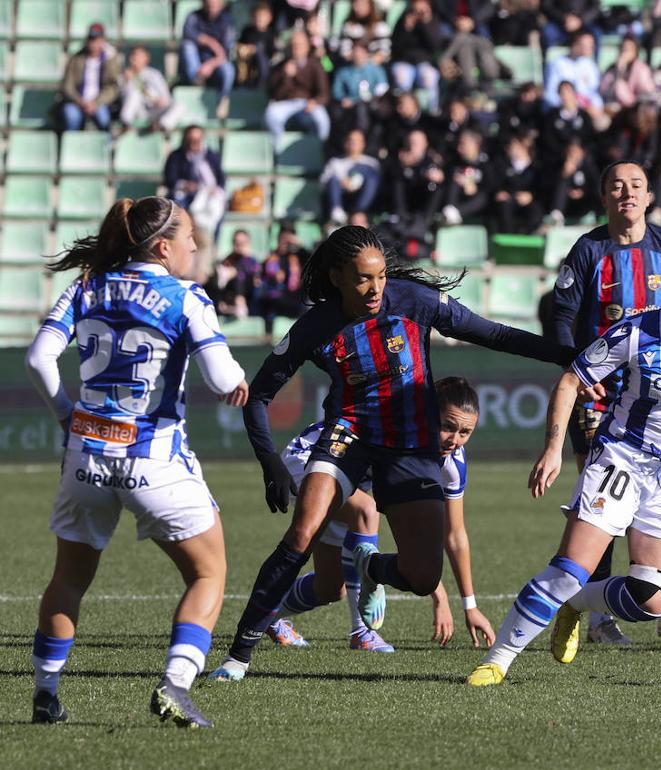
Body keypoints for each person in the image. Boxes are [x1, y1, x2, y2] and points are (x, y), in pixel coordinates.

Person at [207, 226, 570, 681]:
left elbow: (494, 334)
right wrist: (272, 466)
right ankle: (237, 657)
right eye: (363, 278)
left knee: (421, 576)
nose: (376, 288)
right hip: (349, 437)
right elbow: (259, 397)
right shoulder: (316, 326)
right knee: (302, 534)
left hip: (411, 445)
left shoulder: (415, 301)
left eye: (380, 276)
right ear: (338, 277)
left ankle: (371, 566)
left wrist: (567, 356)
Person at [466, 214, 661, 686]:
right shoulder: (635, 333)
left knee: (655, 598)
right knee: (567, 569)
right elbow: (569, 381)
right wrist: (555, 448)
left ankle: (578, 604)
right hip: (623, 459)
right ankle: (497, 660)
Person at [25, 197, 248, 727]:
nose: (196, 246)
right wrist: (237, 379)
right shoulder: (186, 296)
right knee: (209, 572)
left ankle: (44, 692)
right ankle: (174, 684)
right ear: (163, 246)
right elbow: (220, 380)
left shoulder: (86, 285)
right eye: (190, 236)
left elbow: (38, 357)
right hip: (155, 461)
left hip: (87, 454)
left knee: (68, 580)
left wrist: (66, 415)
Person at [214, 377, 496, 668]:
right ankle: (362, 632)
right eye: (447, 426)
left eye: (465, 432)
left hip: (349, 486)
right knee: (366, 511)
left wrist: (468, 604)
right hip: (309, 461)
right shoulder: (398, 433)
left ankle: (270, 617)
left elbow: (454, 535)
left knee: (330, 587)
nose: (455, 439)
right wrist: (436, 592)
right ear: (425, 415)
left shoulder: (452, 462)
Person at [551, 162, 661, 643]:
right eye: (617, 185)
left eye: (636, 185)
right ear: (604, 197)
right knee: (603, 502)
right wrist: (580, 370)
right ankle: (596, 616)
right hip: (601, 393)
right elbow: (560, 318)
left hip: (658, 393)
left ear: (650, 196)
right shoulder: (587, 250)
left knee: (660, 495)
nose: (627, 193)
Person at [264, 30, 332, 148]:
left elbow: (324, 94)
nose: (296, 48)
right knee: (271, 114)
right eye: (293, 45)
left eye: (299, 45)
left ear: (307, 47)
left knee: (322, 120)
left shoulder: (315, 66)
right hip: (285, 104)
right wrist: (286, 77)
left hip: (307, 103)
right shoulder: (280, 66)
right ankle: (277, 151)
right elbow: (274, 95)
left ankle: (320, 149)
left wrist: (315, 102)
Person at [164, 126, 228, 242]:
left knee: (217, 209)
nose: (194, 143)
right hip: (185, 194)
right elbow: (170, 179)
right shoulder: (176, 156)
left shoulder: (212, 156)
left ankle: (213, 243)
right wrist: (185, 185)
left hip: (207, 195)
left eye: (197, 139)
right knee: (176, 207)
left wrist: (215, 190)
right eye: (191, 139)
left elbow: (221, 179)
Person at [60, 23, 122, 132]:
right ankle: (71, 146)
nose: (93, 43)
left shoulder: (109, 60)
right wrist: (80, 101)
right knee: (71, 117)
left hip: (99, 102)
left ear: (103, 41)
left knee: (104, 119)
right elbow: (67, 86)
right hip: (78, 102)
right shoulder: (76, 59)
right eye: (91, 39)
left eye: (96, 40)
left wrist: (96, 102)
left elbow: (112, 86)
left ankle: (107, 146)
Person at [180, 0, 236, 119]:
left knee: (229, 70)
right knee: (187, 46)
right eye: (209, 4)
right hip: (197, 61)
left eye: (215, 5)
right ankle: (196, 81)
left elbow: (225, 53)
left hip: (216, 63)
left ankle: (222, 100)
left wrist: (210, 65)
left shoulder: (227, 21)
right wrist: (210, 42)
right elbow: (188, 34)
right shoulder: (194, 16)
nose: (211, 8)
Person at [391, 0, 445, 113]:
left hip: (425, 62)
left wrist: (426, 24)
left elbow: (435, 46)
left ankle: (431, 112)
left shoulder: (433, 21)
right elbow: (395, 46)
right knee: (402, 77)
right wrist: (406, 29)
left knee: (428, 77)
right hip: (404, 61)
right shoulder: (404, 19)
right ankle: (405, 111)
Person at [321, 129, 383, 226]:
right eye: (350, 140)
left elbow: (376, 186)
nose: (353, 143)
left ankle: (358, 212)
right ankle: (337, 213)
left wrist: (356, 182)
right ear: (345, 143)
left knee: (371, 176)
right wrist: (343, 181)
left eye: (357, 141)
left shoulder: (372, 163)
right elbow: (324, 183)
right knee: (332, 180)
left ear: (363, 144)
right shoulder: (335, 162)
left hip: (363, 200)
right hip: (342, 197)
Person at [119, 46, 183, 134]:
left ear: (146, 58)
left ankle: (161, 126)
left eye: (137, 56)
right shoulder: (123, 75)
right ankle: (126, 124)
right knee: (134, 94)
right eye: (132, 55)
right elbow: (123, 97)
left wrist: (160, 101)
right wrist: (128, 81)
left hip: (155, 110)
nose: (133, 58)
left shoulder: (154, 74)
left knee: (180, 106)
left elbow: (166, 96)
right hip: (138, 111)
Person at [207, 229, 261, 320]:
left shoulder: (253, 262)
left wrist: (246, 257)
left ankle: (240, 302)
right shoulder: (227, 261)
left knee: (240, 271)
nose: (239, 245)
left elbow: (257, 280)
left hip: (250, 299)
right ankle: (237, 304)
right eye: (236, 242)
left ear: (248, 243)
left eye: (242, 242)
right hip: (229, 299)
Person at [600, 35, 656, 116]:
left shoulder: (641, 68)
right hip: (611, 108)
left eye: (628, 50)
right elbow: (603, 90)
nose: (624, 52)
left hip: (633, 111)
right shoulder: (612, 68)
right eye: (623, 49)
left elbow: (647, 91)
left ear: (635, 52)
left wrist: (621, 75)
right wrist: (618, 71)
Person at [236, 1, 279, 88]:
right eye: (257, 16)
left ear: (269, 18)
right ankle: (242, 82)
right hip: (247, 61)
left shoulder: (271, 34)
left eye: (263, 16)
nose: (259, 19)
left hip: (264, 63)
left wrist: (256, 50)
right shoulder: (247, 31)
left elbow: (272, 51)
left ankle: (261, 84)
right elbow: (239, 44)